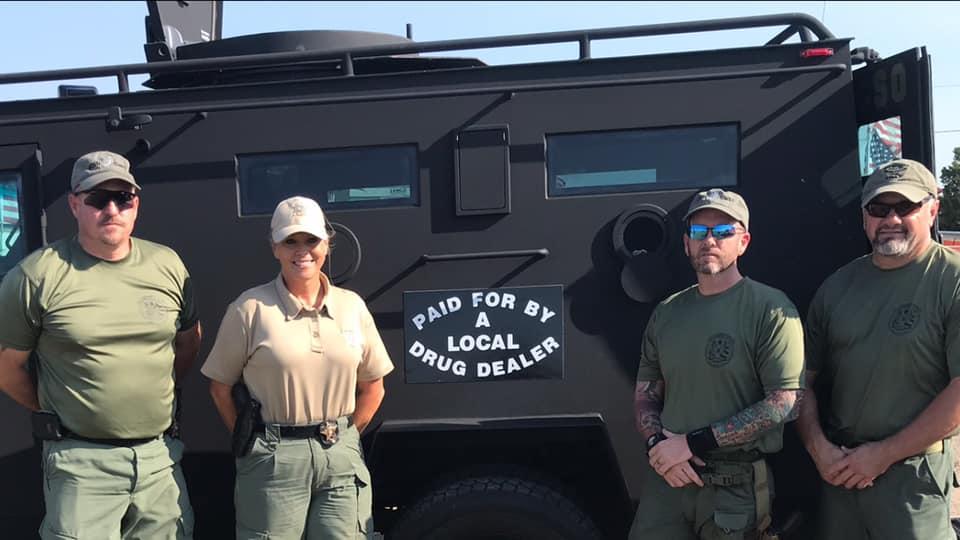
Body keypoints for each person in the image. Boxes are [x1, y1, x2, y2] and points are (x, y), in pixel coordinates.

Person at [0, 150, 201, 539]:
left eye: (122, 198)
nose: (111, 209)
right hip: (80, 464)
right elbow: (7, 367)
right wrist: (57, 408)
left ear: (135, 204)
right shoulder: (37, 275)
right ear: (75, 204)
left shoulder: (168, 265)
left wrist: (156, 394)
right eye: (97, 198)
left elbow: (189, 343)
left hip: (158, 459)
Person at [201, 195, 394, 540]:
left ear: (327, 245)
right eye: (290, 241)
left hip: (340, 458)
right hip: (275, 458)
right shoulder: (250, 309)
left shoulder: (352, 307)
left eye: (311, 240)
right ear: (274, 247)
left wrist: (346, 438)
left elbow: (374, 386)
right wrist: (254, 448)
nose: (301, 250)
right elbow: (219, 386)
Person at [797, 159, 960, 540]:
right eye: (879, 208)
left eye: (905, 207)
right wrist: (818, 448)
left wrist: (883, 454)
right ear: (864, 217)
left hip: (911, 481)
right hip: (841, 475)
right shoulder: (836, 288)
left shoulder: (950, 280)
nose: (891, 218)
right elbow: (799, 384)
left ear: (933, 208)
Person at [629, 188, 805, 540]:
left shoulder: (771, 309)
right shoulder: (667, 313)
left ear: (743, 242)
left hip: (734, 487)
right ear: (686, 244)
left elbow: (786, 402)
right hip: (669, 479)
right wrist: (656, 446)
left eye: (723, 231)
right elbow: (646, 394)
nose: (710, 240)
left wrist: (693, 443)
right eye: (699, 231)